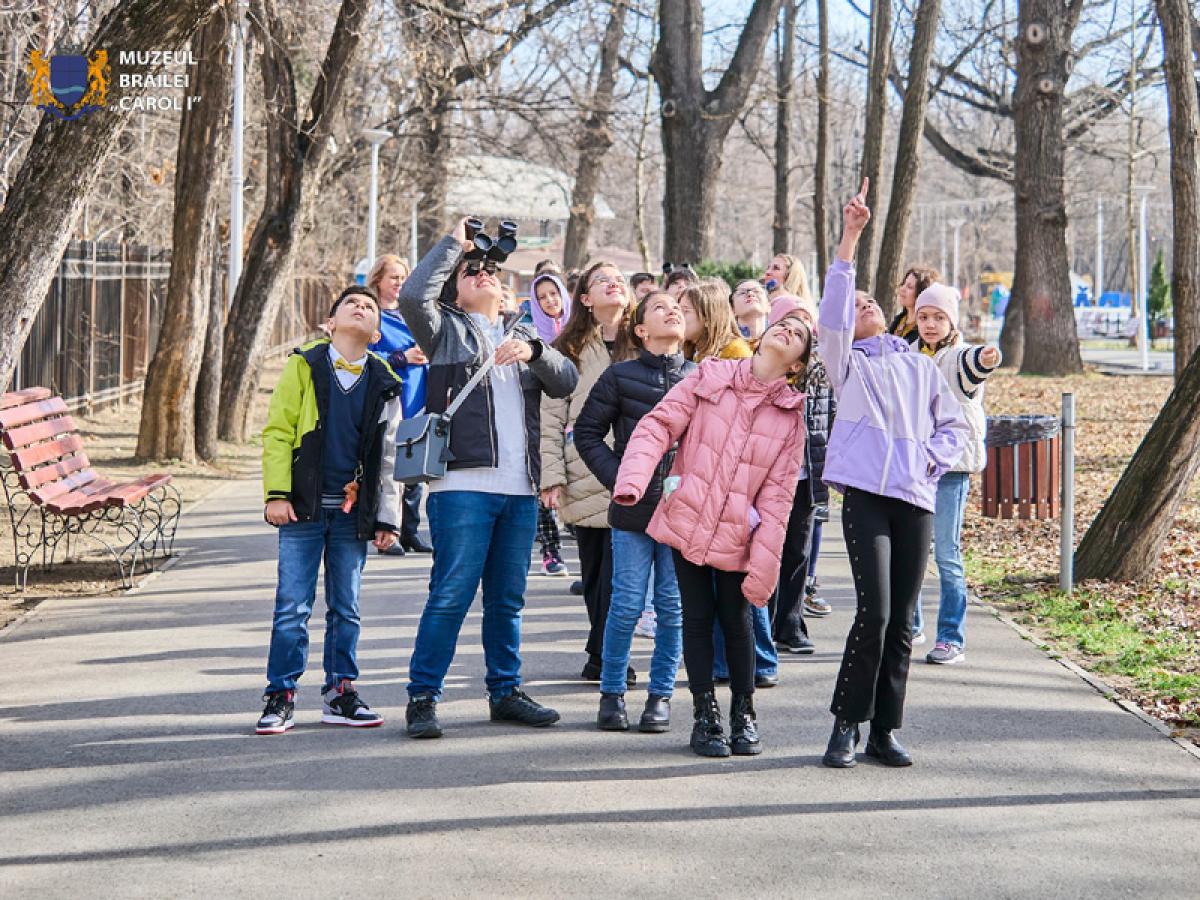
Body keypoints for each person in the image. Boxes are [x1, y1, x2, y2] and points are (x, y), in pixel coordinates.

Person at [398, 217, 579, 739]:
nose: (483, 274)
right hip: (461, 485)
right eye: (470, 270)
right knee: (451, 593)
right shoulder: (444, 330)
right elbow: (412, 296)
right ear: (455, 288)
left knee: (508, 598)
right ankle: (423, 696)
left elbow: (565, 380)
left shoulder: (524, 332)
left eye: (491, 271)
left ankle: (505, 691)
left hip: (519, 489)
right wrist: (453, 243)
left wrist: (536, 351)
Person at [817, 180, 969, 769]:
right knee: (874, 613)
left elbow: (953, 425)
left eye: (871, 302)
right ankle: (845, 726)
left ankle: (885, 730)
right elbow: (834, 309)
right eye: (856, 305)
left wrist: (931, 459)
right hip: (867, 498)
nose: (865, 306)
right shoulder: (846, 363)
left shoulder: (920, 366)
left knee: (903, 620)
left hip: (916, 498)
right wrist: (850, 237)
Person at [613, 310, 811, 758]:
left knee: (737, 621)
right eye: (782, 324)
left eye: (798, 333)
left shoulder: (789, 416)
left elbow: (779, 499)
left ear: (797, 362)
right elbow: (659, 424)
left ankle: (744, 712)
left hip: (739, 532)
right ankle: (705, 714)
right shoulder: (711, 376)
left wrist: (764, 565)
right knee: (697, 618)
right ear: (761, 338)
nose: (786, 330)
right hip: (687, 515)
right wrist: (634, 478)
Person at [255, 286, 403, 735]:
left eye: (370, 307)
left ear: (376, 333)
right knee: (292, 607)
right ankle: (280, 695)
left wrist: (388, 516)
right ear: (330, 323)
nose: (361, 307)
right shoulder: (305, 365)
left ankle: (341, 692)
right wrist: (277, 494)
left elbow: (389, 455)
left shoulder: (383, 380)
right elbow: (279, 431)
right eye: (351, 304)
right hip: (302, 508)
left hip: (351, 514)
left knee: (347, 607)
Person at [575, 291, 694, 733]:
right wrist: (623, 479)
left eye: (676, 307)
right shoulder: (619, 376)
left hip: (681, 513)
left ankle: (661, 697)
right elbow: (586, 433)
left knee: (672, 607)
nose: (672, 310)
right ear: (641, 330)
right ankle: (611, 695)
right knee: (625, 604)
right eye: (660, 307)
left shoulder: (701, 377)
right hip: (632, 513)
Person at [543, 261, 637, 683]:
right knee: (596, 572)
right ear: (585, 298)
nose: (614, 284)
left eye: (619, 279)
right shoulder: (569, 349)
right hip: (584, 469)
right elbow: (550, 416)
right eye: (603, 280)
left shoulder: (644, 340)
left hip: (636, 469)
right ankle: (603, 653)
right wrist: (552, 475)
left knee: (624, 576)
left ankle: (606, 654)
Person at [679, 280, 776, 686]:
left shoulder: (736, 355)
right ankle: (723, 663)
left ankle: (761, 661)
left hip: (735, 482)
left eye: (686, 311)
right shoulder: (695, 354)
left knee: (740, 581)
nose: (679, 316)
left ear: (707, 315)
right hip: (704, 480)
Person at [910, 283, 1002, 665]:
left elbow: (976, 365)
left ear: (952, 321)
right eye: (923, 317)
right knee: (911, 551)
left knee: (946, 553)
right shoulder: (910, 354)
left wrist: (988, 357)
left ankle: (951, 637)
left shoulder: (958, 357)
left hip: (951, 468)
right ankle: (911, 625)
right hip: (915, 467)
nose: (930, 324)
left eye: (938, 317)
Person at [766, 295, 835, 656]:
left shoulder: (819, 372)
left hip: (806, 472)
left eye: (804, 323)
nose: (797, 330)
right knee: (766, 550)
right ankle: (762, 624)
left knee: (798, 551)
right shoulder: (763, 367)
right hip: (767, 476)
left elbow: (831, 415)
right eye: (788, 321)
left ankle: (791, 625)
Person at [367, 254, 433, 557]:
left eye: (404, 277)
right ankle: (387, 530)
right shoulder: (371, 314)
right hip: (391, 399)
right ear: (378, 279)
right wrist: (400, 358)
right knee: (390, 468)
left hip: (419, 394)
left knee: (415, 468)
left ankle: (410, 532)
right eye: (394, 277)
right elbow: (363, 357)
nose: (399, 283)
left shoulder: (413, 314)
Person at [528, 271, 574, 576]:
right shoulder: (531, 334)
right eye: (542, 297)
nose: (549, 301)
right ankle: (550, 550)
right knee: (544, 486)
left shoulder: (579, 331)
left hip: (577, 418)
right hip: (544, 418)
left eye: (553, 294)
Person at [679, 282, 752, 362]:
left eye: (686, 311)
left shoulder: (736, 353)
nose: (678, 315)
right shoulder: (689, 350)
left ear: (708, 318)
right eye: (678, 309)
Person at [888, 265, 940, 346]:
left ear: (921, 293)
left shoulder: (925, 330)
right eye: (903, 284)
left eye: (909, 287)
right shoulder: (899, 320)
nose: (902, 289)